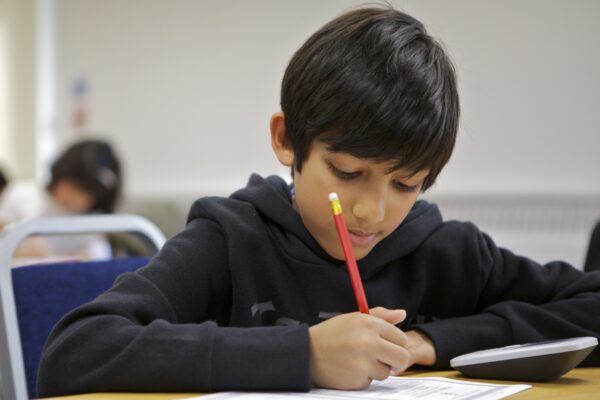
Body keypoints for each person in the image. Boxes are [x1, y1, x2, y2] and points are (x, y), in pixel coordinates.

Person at [37, 6, 600, 397]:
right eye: (347, 172)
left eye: (406, 184)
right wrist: (301, 354)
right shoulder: (230, 238)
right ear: (286, 140)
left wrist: (434, 341)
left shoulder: (447, 250)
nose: (371, 212)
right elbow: (75, 351)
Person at [0, 139, 122, 259]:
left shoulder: (88, 219)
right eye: (77, 186)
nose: (85, 200)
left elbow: (100, 253)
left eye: (91, 195)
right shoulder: (21, 194)